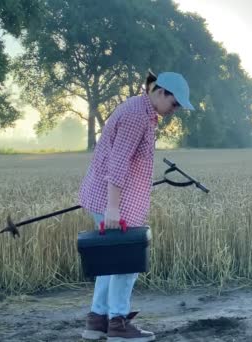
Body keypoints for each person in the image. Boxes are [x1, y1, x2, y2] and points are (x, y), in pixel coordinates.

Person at [78, 71, 194, 341]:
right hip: (115, 201)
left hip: (112, 198)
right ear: (161, 91)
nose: (174, 111)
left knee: (110, 262)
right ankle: (118, 324)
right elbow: (118, 163)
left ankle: (97, 322)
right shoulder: (136, 116)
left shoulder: (140, 109)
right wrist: (113, 208)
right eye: (175, 104)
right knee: (125, 262)